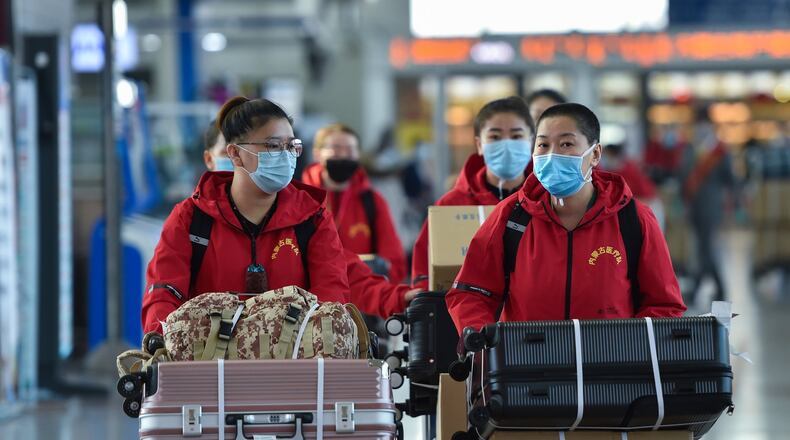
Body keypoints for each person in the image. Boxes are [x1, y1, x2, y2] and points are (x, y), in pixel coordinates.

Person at [446, 103, 686, 334]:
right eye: (543, 145)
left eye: (566, 144)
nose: (552, 155)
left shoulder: (633, 219)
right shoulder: (511, 216)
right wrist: (480, 336)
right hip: (526, 368)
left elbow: (664, 305)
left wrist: (633, 348)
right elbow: (471, 292)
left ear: (595, 154)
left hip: (610, 369)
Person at [142, 97, 350, 334]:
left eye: (291, 145)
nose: (286, 155)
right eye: (273, 145)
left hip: (291, 363)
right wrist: (161, 342)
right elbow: (163, 293)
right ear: (235, 154)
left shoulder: (312, 218)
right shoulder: (191, 219)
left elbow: (332, 294)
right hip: (209, 363)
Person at [199, 120, 419, 319]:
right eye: (230, 154)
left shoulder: (304, 213)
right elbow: (166, 291)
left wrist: (396, 297)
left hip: (291, 349)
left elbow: (342, 272)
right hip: (214, 355)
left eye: (282, 146)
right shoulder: (194, 220)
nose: (239, 161)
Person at [411, 96, 535, 290]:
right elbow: (425, 271)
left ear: (531, 142)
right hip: (462, 315)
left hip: (533, 318)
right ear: (479, 144)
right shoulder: (450, 205)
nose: (506, 144)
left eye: (516, 136)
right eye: (495, 137)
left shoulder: (545, 201)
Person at [302, 123, 407, 282]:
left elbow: (394, 265)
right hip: (312, 299)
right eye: (336, 148)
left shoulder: (372, 201)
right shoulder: (300, 199)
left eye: (350, 150)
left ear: (358, 155)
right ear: (317, 154)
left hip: (360, 300)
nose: (344, 155)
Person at [681, 122, 737, 303]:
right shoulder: (692, 149)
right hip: (694, 206)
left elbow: (731, 180)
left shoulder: (720, 152)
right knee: (702, 249)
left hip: (712, 207)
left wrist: (734, 205)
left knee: (706, 249)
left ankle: (700, 288)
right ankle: (717, 289)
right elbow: (683, 175)